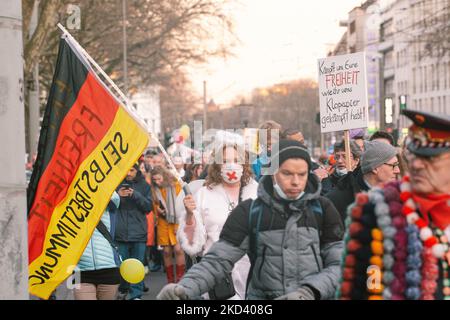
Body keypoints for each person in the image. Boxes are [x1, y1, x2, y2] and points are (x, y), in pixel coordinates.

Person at [157, 140, 344, 300]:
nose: (295, 181)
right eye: (287, 173)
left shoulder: (323, 209)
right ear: (274, 172)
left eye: (301, 174)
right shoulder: (251, 211)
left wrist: (310, 291)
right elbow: (217, 260)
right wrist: (184, 289)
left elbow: (340, 264)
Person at [337, 109, 450, 300]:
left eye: (429, 159)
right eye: (413, 156)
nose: (416, 165)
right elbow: (363, 289)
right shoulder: (380, 210)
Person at [178, 143, 258, 299]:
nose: (231, 165)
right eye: (225, 161)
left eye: (236, 160)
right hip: (219, 276)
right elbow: (193, 244)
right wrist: (189, 215)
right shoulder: (204, 194)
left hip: (252, 274)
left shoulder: (256, 192)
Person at [326, 140, 399, 223]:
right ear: (375, 168)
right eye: (393, 165)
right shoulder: (336, 199)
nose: (398, 170)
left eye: (344, 156)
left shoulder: (398, 194)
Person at [115, 164, 152, 300]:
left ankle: (136, 294)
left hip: (138, 233)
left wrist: (135, 194)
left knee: (137, 266)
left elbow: (148, 207)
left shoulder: (144, 186)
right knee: (122, 265)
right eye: (127, 169)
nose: (129, 173)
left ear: (137, 171)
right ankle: (124, 289)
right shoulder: (115, 183)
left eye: (132, 170)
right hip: (120, 233)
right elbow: (107, 205)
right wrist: (117, 195)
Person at [74, 192, 121, 300]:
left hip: (109, 268)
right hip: (77, 270)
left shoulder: (109, 205)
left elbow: (114, 196)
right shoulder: (68, 210)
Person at [150, 166, 185, 284]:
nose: (157, 181)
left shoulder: (175, 184)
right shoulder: (154, 189)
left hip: (177, 220)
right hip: (163, 222)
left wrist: (177, 225)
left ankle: (180, 278)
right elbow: (154, 204)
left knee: (178, 249)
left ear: (164, 176)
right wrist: (157, 210)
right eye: (154, 179)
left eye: (158, 179)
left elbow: (181, 203)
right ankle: (170, 280)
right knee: (166, 251)